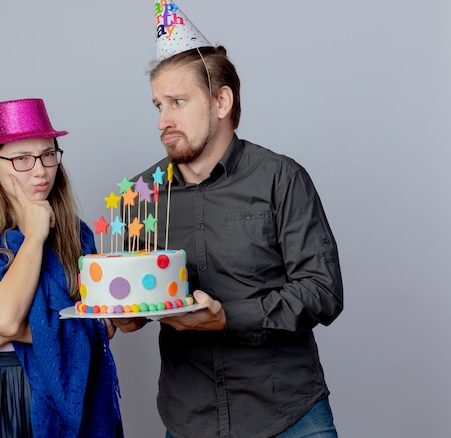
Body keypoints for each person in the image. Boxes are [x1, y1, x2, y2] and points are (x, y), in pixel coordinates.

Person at [113, 2, 343, 437]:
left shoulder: (281, 178)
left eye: (178, 102)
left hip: (288, 414)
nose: (164, 121)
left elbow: (322, 291)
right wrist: (127, 314)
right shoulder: (139, 195)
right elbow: (139, 293)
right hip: (188, 418)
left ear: (221, 100)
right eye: (158, 105)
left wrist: (228, 317)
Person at [0, 98, 123, 438]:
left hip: (78, 389)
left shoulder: (76, 233)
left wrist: (13, 334)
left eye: (48, 154)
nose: (40, 170)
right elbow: (6, 315)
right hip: (2, 395)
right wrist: (35, 237)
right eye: (21, 159)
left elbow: (103, 326)